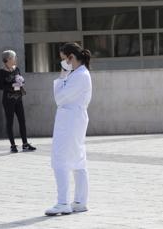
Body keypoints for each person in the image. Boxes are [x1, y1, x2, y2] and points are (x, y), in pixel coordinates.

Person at [46, 43, 92, 216]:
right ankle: (80, 201)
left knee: (60, 159)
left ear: (71, 57)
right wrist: (65, 76)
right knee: (78, 160)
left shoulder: (79, 76)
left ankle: (62, 202)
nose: (63, 62)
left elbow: (59, 97)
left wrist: (61, 77)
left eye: (64, 59)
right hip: (74, 119)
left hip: (70, 121)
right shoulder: (80, 74)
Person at [0, 50, 36, 153]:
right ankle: (13, 145)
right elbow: (1, 86)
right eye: (14, 57)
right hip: (8, 100)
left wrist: (21, 82)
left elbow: (21, 80)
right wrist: (12, 86)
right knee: (10, 122)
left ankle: (25, 144)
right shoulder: (1, 72)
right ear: (9, 59)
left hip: (18, 99)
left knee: (22, 121)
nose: (15, 59)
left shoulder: (16, 69)